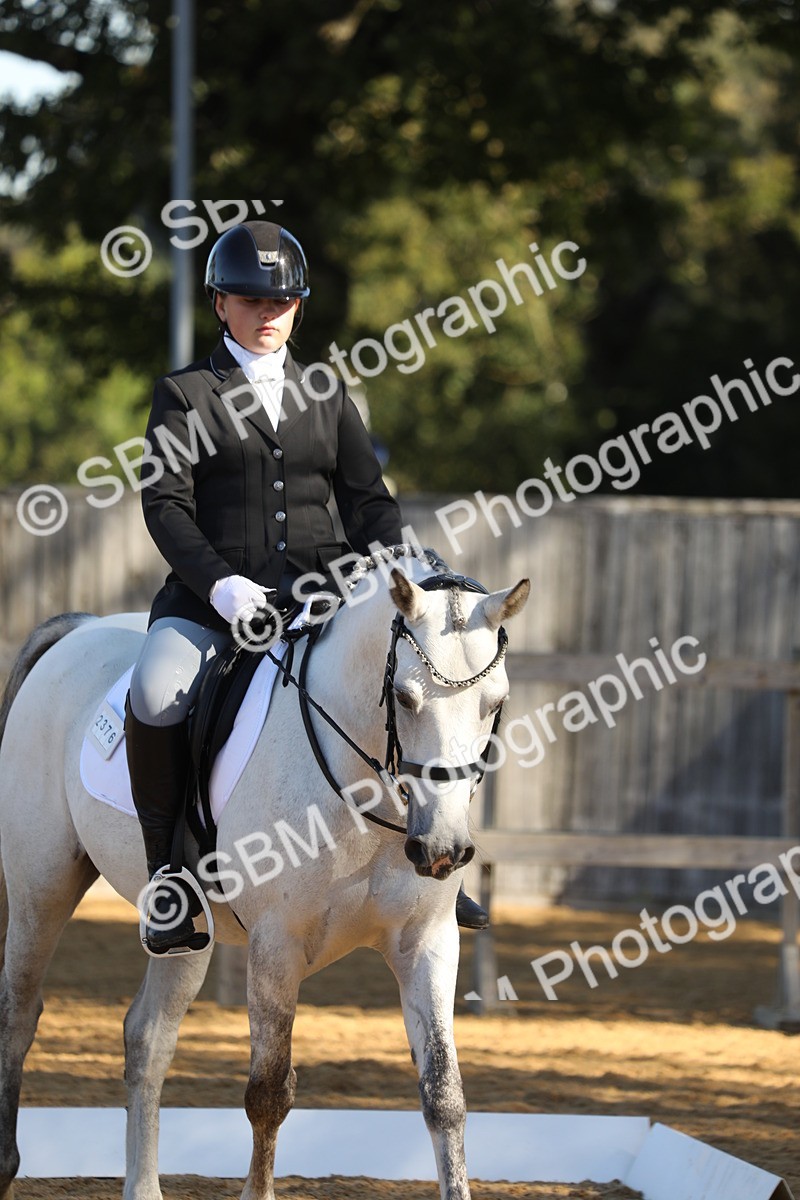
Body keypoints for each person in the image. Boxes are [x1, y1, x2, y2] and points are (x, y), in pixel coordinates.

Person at [125, 219, 488, 953]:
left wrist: (407, 573)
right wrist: (223, 589)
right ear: (220, 304)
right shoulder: (186, 394)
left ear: (298, 307)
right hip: (215, 605)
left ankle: (438, 857)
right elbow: (164, 505)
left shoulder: (325, 392)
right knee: (157, 693)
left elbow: (369, 501)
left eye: (282, 302)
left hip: (325, 599)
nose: (268, 314)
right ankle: (167, 879)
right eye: (252, 301)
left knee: (427, 686)